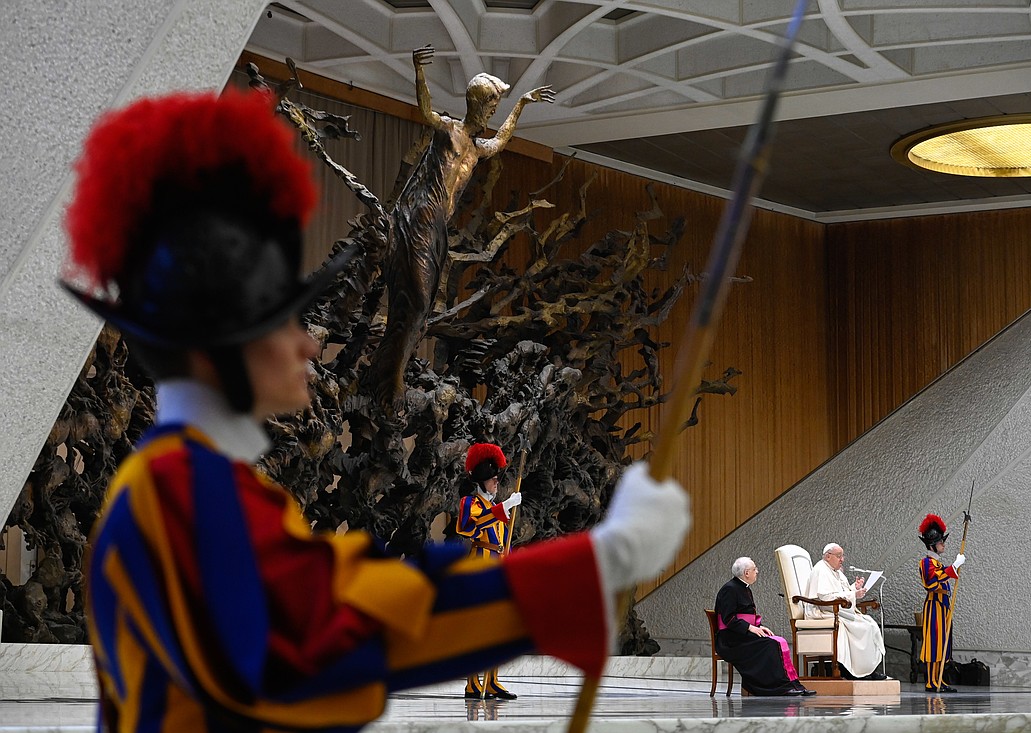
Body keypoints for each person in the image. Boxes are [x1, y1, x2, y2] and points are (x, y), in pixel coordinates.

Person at [60, 88, 691, 732]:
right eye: (283, 323)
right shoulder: (186, 492)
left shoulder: (189, 481)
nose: (310, 341)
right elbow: (341, 630)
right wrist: (599, 560)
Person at [370, 44, 555, 407]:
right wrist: (420, 72)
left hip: (438, 227)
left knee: (420, 309)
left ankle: (388, 373)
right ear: (477, 104)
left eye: (496, 107)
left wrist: (522, 105)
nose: (493, 111)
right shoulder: (450, 131)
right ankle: (389, 376)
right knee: (419, 298)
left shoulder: (476, 148)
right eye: (492, 105)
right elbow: (425, 110)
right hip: (420, 217)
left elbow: (501, 141)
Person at [455, 442, 523, 699]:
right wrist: (502, 508)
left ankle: (492, 681)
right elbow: (468, 527)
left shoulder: (497, 509)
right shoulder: (470, 502)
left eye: (496, 479)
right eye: (493, 480)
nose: (496, 483)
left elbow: (503, 541)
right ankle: (473, 683)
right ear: (482, 481)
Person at [714, 557, 816, 696]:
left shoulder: (744, 588)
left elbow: (747, 614)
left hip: (740, 635)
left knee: (776, 641)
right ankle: (777, 686)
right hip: (730, 640)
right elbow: (728, 618)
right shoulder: (730, 589)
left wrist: (759, 626)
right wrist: (750, 628)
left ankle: (793, 685)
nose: (757, 571)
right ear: (746, 573)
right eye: (754, 569)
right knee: (769, 645)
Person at [804, 543, 887, 680]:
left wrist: (855, 589)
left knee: (870, 624)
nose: (842, 559)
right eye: (838, 556)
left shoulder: (836, 572)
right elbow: (825, 597)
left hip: (835, 610)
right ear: (828, 556)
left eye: (842, 556)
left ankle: (867, 670)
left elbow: (842, 592)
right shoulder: (820, 570)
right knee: (861, 627)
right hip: (822, 611)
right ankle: (851, 671)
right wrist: (854, 594)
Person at [918, 514, 965, 693]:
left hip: (943, 607)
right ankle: (931, 681)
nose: (943, 545)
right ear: (932, 545)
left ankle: (939, 679)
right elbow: (931, 582)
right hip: (934, 606)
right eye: (940, 542)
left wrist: (951, 569)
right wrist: (953, 568)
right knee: (934, 644)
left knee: (944, 643)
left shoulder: (937, 563)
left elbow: (944, 575)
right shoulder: (926, 563)